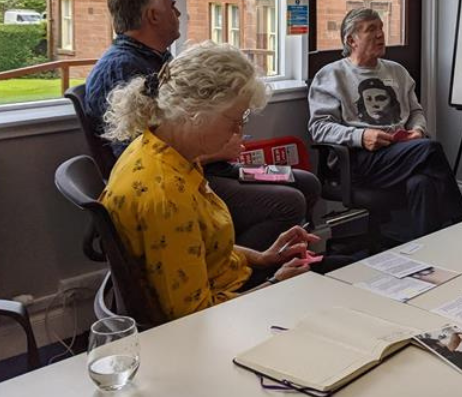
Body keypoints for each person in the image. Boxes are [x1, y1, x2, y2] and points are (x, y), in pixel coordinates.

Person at [84, 0, 320, 251]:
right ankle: (241, 276)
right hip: (197, 174)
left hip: (216, 167)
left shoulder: (159, 59)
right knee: (288, 202)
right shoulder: (122, 68)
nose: (178, 13)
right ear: (152, 16)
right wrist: (218, 151)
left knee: (304, 181)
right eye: (172, 6)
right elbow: (138, 151)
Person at [99, 42, 319, 321]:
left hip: (230, 287)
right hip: (212, 322)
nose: (239, 131)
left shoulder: (160, 149)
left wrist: (263, 258)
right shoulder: (167, 194)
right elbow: (193, 318)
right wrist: (274, 285)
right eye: (234, 120)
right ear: (195, 113)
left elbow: (197, 246)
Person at [308, 7, 462, 239]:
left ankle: (429, 250)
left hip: (402, 153)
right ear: (351, 39)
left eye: (381, 28)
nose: (380, 34)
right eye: (371, 29)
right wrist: (361, 137)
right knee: (430, 149)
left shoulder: (397, 72)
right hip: (358, 159)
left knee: (421, 182)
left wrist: (418, 129)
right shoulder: (331, 75)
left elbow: (415, 111)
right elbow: (319, 128)